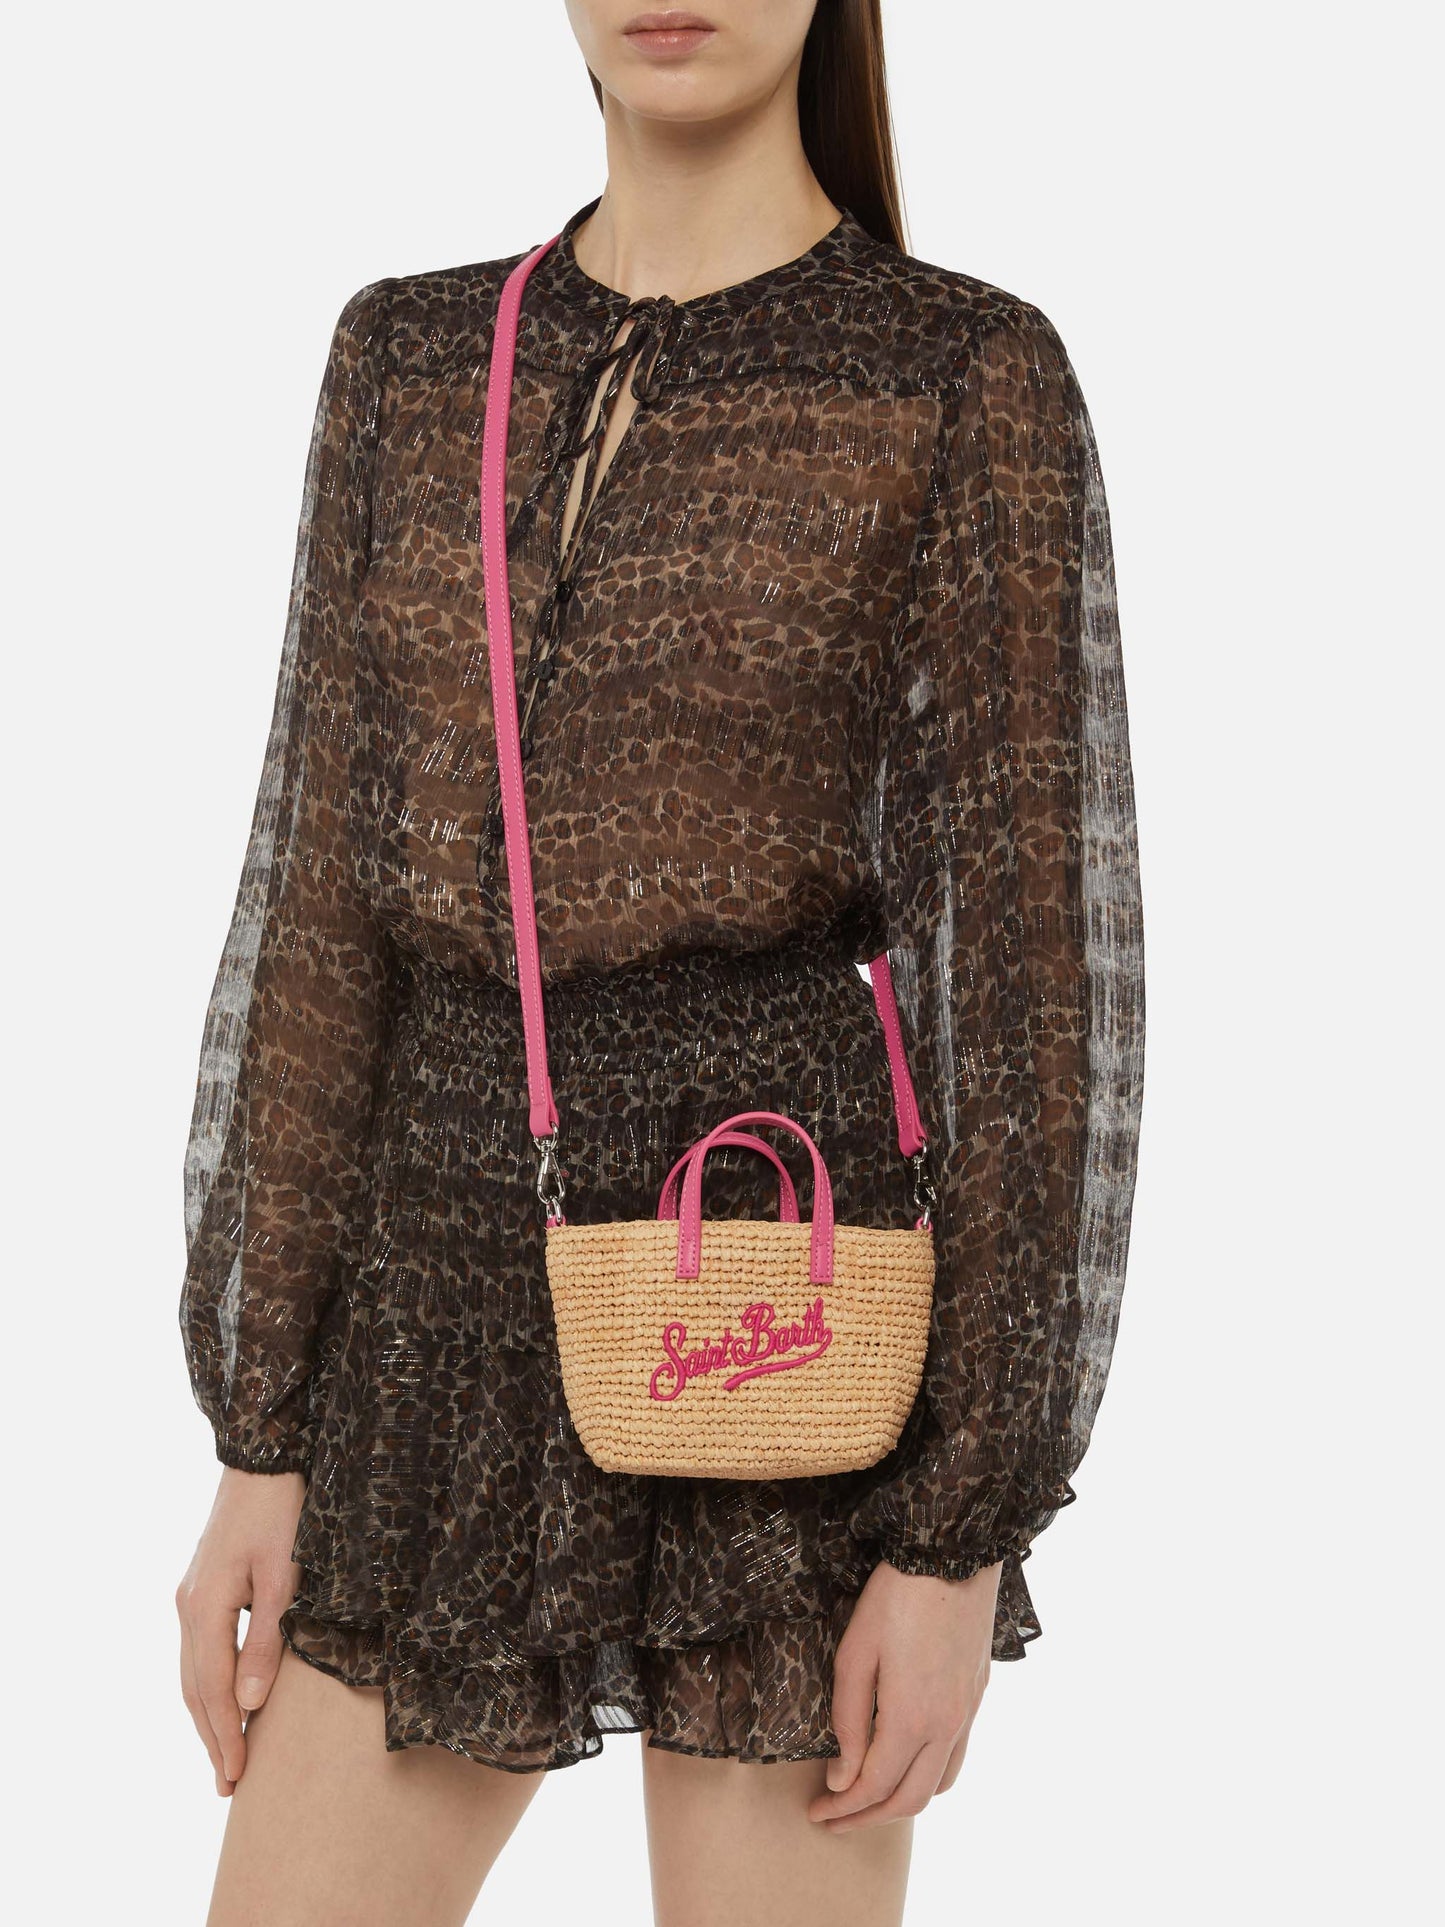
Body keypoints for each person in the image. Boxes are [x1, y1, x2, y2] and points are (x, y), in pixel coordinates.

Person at [174, 3, 1145, 1921]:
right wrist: (259, 1440)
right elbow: (321, 914)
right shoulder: (407, 356)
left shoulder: (953, 372)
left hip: (777, 1281)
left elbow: (1029, 988)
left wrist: (957, 1535)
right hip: (433, 1299)